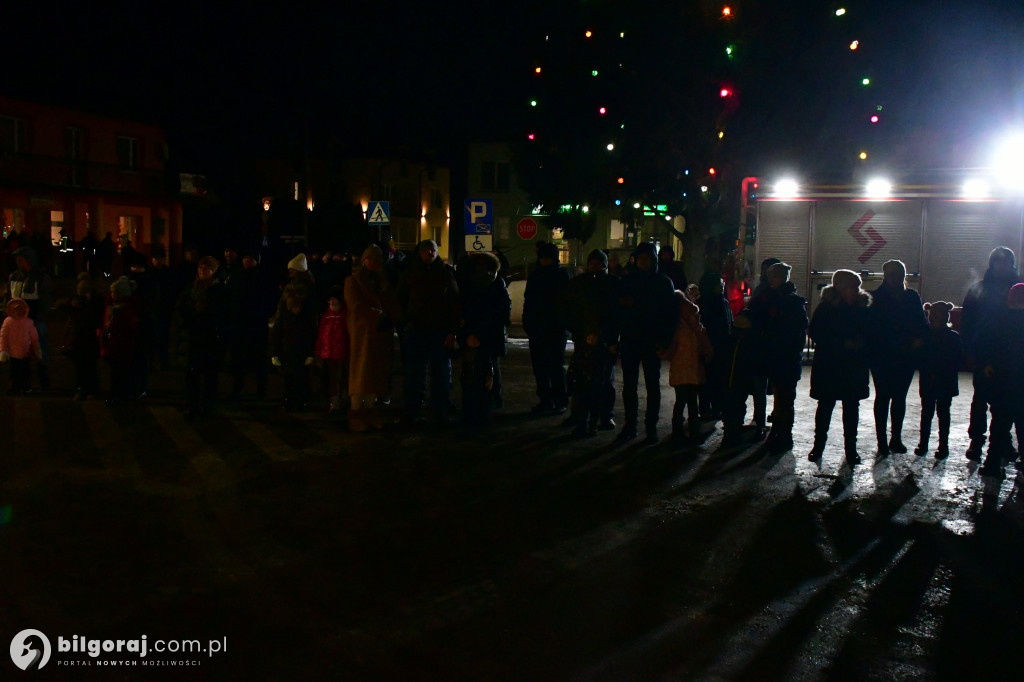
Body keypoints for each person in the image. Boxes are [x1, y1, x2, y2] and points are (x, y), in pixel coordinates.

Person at [960, 246, 1020, 461]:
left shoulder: (1018, 289)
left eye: (1005, 262)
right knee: (980, 400)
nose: (1001, 266)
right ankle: (977, 442)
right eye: (998, 261)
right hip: (983, 354)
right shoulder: (979, 289)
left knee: (1005, 403)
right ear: (992, 264)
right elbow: (967, 323)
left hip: (1010, 358)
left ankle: (1003, 441)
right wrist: (971, 352)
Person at [808, 270, 873, 464]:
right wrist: (843, 343)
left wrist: (861, 343)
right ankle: (819, 446)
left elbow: (871, 332)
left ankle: (850, 449)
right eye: (851, 286)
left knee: (851, 407)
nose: (855, 290)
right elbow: (816, 332)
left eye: (856, 287)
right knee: (826, 406)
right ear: (840, 287)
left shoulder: (861, 308)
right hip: (831, 365)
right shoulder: (827, 308)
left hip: (851, 365)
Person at [615, 242, 676, 444]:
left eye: (646, 258)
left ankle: (651, 427)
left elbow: (670, 315)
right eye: (640, 258)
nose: (642, 261)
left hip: (652, 341)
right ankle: (630, 425)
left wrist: (665, 341)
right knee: (629, 386)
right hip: (631, 339)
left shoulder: (663, 283)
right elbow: (617, 311)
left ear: (653, 260)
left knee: (652, 386)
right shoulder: (627, 281)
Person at [397, 239, 460, 425]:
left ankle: (439, 410)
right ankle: (412, 408)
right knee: (414, 373)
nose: (430, 253)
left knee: (440, 373)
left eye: (432, 250)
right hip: (417, 329)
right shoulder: (410, 273)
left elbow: (454, 302)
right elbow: (400, 299)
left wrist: (452, 330)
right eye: (426, 250)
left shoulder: (446, 273)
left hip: (439, 330)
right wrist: (405, 323)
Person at [869, 260, 928, 455]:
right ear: (886, 275)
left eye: (899, 274)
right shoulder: (905, 297)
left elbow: (920, 324)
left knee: (896, 397)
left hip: (899, 355)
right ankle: (884, 440)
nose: (896, 277)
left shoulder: (902, 296)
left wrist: (918, 340)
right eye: (893, 274)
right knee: (886, 397)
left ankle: (893, 439)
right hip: (887, 356)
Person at [749, 262, 809, 454]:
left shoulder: (791, 302)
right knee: (781, 398)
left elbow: (796, 333)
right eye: (769, 276)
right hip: (776, 357)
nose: (770, 279)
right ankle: (778, 433)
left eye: (774, 276)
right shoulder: (771, 298)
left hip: (786, 358)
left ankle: (784, 435)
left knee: (785, 399)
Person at [562, 249, 619, 434]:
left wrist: (603, 335)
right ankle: (580, 416)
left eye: (598, 263)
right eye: (592, 263)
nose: (595, 266)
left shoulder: (612, 284)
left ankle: (604, 415)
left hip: (604, 341)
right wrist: (580, 332)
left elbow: (614, 314)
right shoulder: (579, 283)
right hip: (583, 339)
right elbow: (570, 310)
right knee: (582, 380)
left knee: (604, 380)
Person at [346, 245, 401, 430]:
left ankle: (369, 413)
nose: (375, 263)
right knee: (361, 374)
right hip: (364, 334)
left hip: (380, 334)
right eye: (372, 259)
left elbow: (391, 303)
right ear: (364, 260)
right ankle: (356, 414)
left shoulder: (382, 281)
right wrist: (377, 315)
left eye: (378, 260)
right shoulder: (353, 280)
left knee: (375, 376)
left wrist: (390, 317)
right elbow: (355, 306)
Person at [457, 251, 510, 430]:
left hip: (484, 334)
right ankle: (482, 407)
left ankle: (482, 407)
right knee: (480, 370)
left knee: (484, 370)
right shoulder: (483, 282)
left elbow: (500, 311)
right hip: (480, 333)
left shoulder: (482, 282)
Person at [523, 241, 571, 416]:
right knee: (541, 367)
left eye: (547, 258)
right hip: (539, 328)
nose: (544, 261)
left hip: (554, 329)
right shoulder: (538, 276)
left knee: (555, 366)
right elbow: (529, 301)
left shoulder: (560, 276)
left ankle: (559, 400)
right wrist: (528, 322)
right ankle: (546, 400)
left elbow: (567, 303)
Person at [176, 255, 227, 417]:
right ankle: (193, 404)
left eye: (206, 269)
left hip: (210, 337)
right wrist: (187, 319)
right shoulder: (192, 288)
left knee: (210, 374)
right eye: (200, 268)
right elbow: (181, 308)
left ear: (213, 271)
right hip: (194, 336)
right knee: (192, 373)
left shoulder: (218, 290)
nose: (202, 271)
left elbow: (223, 314)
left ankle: (208, 405)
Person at [661, 289, 712, 446]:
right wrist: (708, 352)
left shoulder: (676, 324)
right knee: (690, 401)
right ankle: (693, 432)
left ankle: (679, 432)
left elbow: (670, 349)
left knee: (683, 400)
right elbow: (703, 339)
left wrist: (662, 353)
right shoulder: (694, 321)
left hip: (681, 367)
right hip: (692, 366)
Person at [915, 301, 961, 459]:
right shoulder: (952, 337)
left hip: (932, 379)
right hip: (943, 380)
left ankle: (925, 445)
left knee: (929, 413)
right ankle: (942, 446)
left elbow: (920, 358)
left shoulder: (925, 335)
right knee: (942, 414)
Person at [7, 246, 53, 390]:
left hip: (34, 322)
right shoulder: (14, 277)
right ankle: (20, 382)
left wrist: (39, 317)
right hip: (17, 323)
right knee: (18, 354)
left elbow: (46, 300)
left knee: (40, 352)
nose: (18, 262)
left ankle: (44, 382)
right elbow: (8, 298)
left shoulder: (41, 278)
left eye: (21, 259)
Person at [746, 257, 782, 434]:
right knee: (761, 385)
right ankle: (761, 419)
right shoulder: (763, 291)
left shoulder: (780, 295)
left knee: (772, 385)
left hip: (771, 346)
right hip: (762, 345)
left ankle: (770, 419)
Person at [57, 274, 104, 400]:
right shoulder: (77, 301)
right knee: (82, 367)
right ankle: (85, 390)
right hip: (80, 338)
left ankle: (88, 390)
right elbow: (59, 305)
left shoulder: (94, 301)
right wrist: (70, 302)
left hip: (88, 337)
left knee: (88, 367)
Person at [101, 276, 140, 404]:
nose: (111, 295)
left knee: (121, 372)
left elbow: (131, 328)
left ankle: (121, 394)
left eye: (114, 292)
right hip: (115, 344)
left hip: (122, 345)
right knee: (116, 372)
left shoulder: (126, 310)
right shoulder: (115, 307)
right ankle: (117, 393)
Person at [316, 285, 350, 414]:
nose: (332, 301)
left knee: (341, 378)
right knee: (331, 379)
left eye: (334, 299)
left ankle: (342, 401)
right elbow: (321, 335)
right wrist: (318, 352)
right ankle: (333, 402)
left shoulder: (345, 316)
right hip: (328, 354)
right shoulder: (326, 316)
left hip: (342, 353)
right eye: (330, 299)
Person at [0, 298, 41, 394]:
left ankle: (23, 387)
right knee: (15, 371)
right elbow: (3, 336)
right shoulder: (8, 321)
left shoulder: (28, 322)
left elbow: (34, 337)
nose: (18, 311)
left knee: (24, 370)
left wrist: (36, 349)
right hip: (13, 352)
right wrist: (3, 350)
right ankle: (16, 387)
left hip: (25, 352)